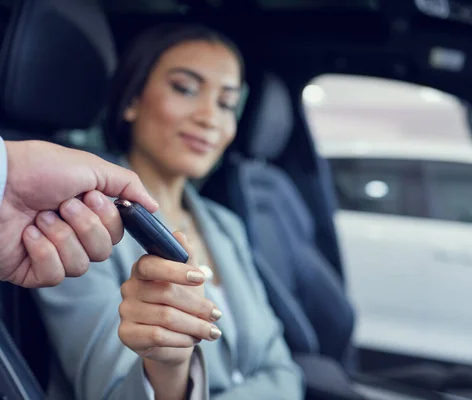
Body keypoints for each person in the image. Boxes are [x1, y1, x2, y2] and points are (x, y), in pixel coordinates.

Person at [33, 23, 303, 400]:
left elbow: (285, 371)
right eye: (185, 89)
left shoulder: (226, 225)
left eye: (226, 103)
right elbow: (111, 393)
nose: (210, 117)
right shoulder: (83, 224)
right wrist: (171, 370)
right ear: (132, 101)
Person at [0, 98, 158, 288]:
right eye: (184, 88)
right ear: (131, 101)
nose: (200, 116)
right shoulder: (90, 203)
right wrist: (3, 187)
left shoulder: (198, 210)